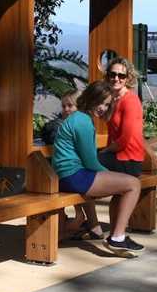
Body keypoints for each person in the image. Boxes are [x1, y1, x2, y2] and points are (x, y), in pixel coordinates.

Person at [51, 80, 145, 254]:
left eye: (107, 104)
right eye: (100, 102)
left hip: (68, 175)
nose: (102, 107)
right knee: (133, 184)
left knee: (125, 184)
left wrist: (113, 180)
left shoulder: (80, 118)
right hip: (74, 176)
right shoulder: (82, 121)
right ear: (89, 98)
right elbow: (90, 162)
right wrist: (111, 176)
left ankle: (117, 235)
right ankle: (117, 238)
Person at [41, 90, 103, 240]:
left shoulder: (78, 123)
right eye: (64, 106)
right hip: (58, 176)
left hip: (67, 174)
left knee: (86, 184)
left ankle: (92, 226)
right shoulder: (63, 127)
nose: (66, 109)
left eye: (70, 105)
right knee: (86, 183)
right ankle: (77, 223)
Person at [100, 57, 146, 178]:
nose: (116, 79)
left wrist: (105, 151)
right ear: (107, 76)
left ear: (127, 78)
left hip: (128, 161)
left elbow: (124, 140)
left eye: (121, 76)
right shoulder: (112, 99)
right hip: (116, 156)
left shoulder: (130, 101)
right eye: (112, 74)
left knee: (87, 164)